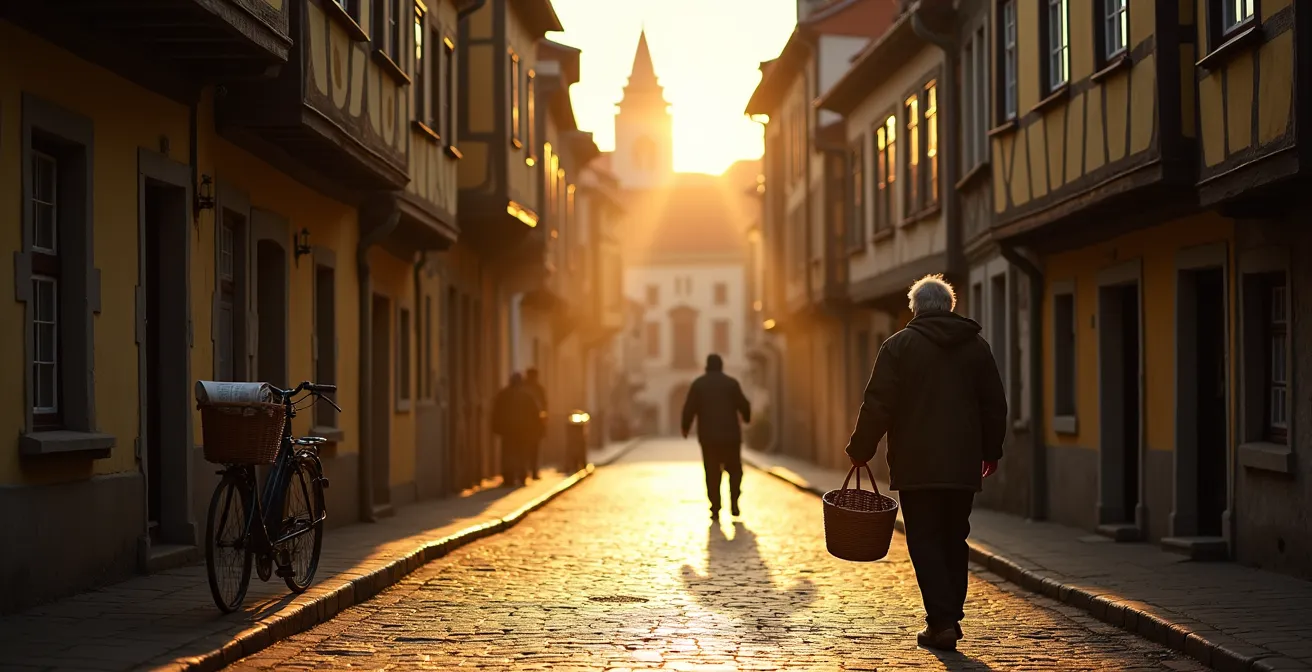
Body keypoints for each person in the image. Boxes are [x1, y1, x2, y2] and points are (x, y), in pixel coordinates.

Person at [844, 274, 1007, 652]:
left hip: (917, 466)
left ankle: (942, 622)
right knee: (954, 538)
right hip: (962, 465)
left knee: (925, 541)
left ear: (914, 309)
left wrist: (860, 448)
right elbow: (994, 404)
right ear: (949, 307)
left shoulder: (898, 346)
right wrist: (991, 451)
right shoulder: (976, 347)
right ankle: (949, 616)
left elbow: (878, 404)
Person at [680, 354, 752, 519]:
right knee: (734, 470)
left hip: (708, 437)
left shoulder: (699, 385)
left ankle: (715, 507)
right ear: (721, 366)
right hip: (731, 437)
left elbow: (689, 408)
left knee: (712, 472)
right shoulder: (731, 384)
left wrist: (685, 427)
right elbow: (744, 404)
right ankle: (734, 503)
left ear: (707, 366)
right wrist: (746, 418)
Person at [491, 373, 541, 487]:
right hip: (522, 431)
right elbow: (535, 414)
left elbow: (496, 413)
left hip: (508, 431)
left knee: (508, 453)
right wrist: (535, 429)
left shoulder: (503, 395)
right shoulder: (527, 395)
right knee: (521, 453)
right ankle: (521, 475)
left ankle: (509, 477)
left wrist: (496, 427)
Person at [524, 367, 548, 480]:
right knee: (531, 449)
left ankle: (531, 471)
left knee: (532, 449)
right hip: (531, 424)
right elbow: (544, 406)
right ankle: (530, 472)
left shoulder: (536, 389)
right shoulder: (534, 389)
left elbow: (544, 405)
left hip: (531, 425)